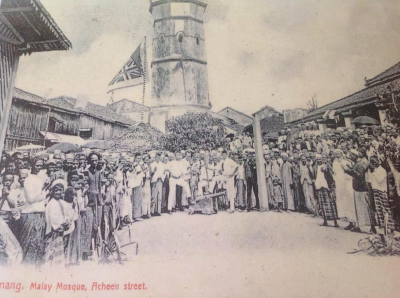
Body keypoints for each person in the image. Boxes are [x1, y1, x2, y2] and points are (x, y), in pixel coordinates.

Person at [347, 149, 376, 233]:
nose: (350, 157)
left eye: (352, 155)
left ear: (356, 156)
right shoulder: (357, 164)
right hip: (357, 189)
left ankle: (372, 228)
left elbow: (359, 176)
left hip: (361, 189)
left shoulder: (359, 164)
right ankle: (358, 226)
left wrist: (349, 170)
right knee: (358, 209)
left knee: (367, 209)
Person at [367, 156, 394, 233]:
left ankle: (391, 228)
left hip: (382, 191)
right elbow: (370, 181)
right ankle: (383, 227)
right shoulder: (372, 171)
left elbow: (379, 180)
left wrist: (374, 171)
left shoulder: (382, 170)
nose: (373, 163)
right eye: (372, 162)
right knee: (379, 210)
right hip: (375, 191)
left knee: (385, 209)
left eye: (375, 162)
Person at [313, 154, 339, 227]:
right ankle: (325, 221)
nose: (319, 161)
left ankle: (335, 222)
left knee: (331, 204)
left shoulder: (326, 167)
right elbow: (314, 177)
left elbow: (330, 177)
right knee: (322, 204)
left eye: (320, 159)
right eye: (317, 160)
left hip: (326, 187)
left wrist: (330, 186)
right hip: (319, 187)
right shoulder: (315, 168)